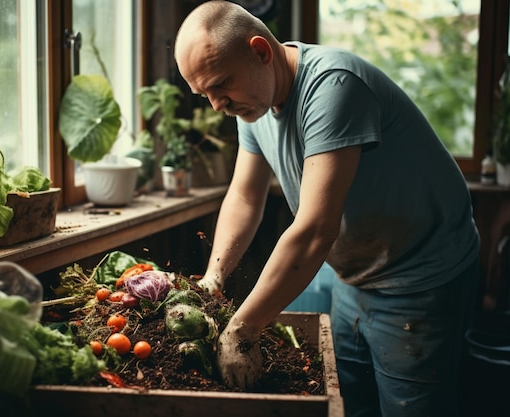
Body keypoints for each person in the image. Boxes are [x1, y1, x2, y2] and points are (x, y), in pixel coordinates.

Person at [174, 2, 480, 417]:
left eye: (221, 85)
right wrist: (213, 278)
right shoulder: (251, 103)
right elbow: (245, 197)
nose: (215, 105)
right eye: (204, 93)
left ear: (261, 51)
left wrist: (243, 329)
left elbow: (317, 229)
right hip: (353, 275)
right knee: (348, 405)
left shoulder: (333, 86)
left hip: (419, 279)